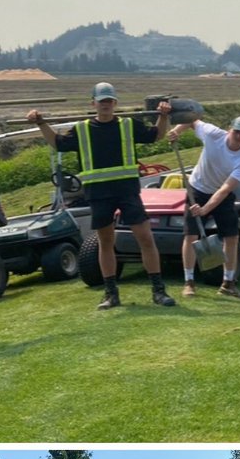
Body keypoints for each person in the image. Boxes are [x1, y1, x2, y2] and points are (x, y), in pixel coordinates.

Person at [28, 84, 175, 310]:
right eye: (101, 100)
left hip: (127, 191)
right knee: (106, 243)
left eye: (109, 100)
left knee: (145, 238)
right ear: (93, 103)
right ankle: (111, 294)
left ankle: (158, 291)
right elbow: (58, 143)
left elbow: (156, 135)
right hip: (98, 194)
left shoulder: (128, 125)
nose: (105, 104)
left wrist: (163, 116)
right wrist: (40, 123)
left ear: (115, 103)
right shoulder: (82, 130)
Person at [167, 114, 240, 299]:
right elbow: (192, 120)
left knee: (231, 237)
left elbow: (224, 190)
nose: (239, 136)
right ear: (230, 129)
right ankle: (189, 282)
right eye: (237, 131)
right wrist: (176, 131)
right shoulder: (213, 134)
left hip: (222, 195)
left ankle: (228, 283)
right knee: (191, 235)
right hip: (197, 189)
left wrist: (205, 209)